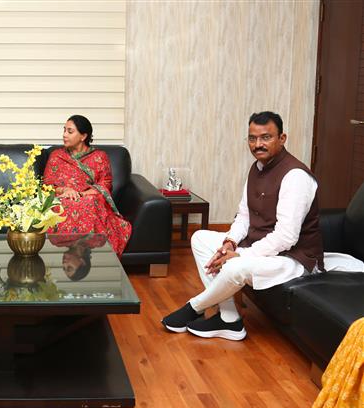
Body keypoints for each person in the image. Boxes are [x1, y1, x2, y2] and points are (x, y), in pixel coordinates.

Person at [162, 111, 324, 341]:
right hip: (260, 247)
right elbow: (244, 216)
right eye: (252, 138)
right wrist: (230, 243)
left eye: (266, 137)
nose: (258, 144)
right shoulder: (256, 168)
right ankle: (229, 319)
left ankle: (194, 307)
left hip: (293, 258)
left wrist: (239, 255)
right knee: (200, 238)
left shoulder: (296, 176)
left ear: (282, 138)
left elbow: (286, 237)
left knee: (233, 267)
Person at [43, 115, 132, 256]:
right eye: (64, 130)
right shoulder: (56, 155)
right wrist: (65, 190)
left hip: (89, 198)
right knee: (60, 206)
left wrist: (80, 194)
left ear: (83, 136)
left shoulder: (99, 157)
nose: (64, 135)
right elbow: (46, 186)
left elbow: (105, 185)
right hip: (62, 197)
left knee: (89, 203)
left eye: (70, 131)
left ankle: (83, 251)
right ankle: (71, 251)